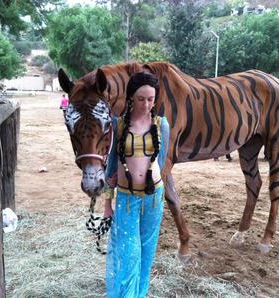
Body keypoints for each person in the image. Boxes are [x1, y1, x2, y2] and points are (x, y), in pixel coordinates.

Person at [104, 72, 169, 298]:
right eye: (141, 99)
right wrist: (107, 204)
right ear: (131, 97)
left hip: (154, 199)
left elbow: (162, 161)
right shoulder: (119, 125)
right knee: (129, 254)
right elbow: (111, 166)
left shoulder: (162, 125)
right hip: (126, 200)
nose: (147, 104)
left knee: (146, 254)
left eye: (151, 99)